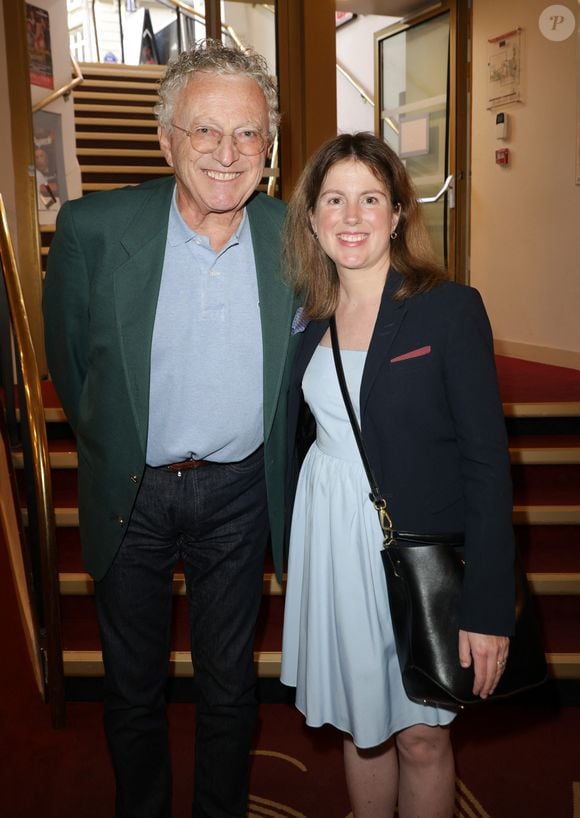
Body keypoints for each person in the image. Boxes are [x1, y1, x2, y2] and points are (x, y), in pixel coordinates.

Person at [43, 40, 298, 818]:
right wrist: (118, 444)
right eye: (206, 132)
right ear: (166, 139)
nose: (228, 154)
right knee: (131, 687)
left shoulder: (297, 235)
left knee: (229, 687)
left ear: (270, 146)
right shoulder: (93, 229)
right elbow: (70, 361)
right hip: (134, 490)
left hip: (239, 494)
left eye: (248, 133)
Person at [280, 132, 515, 818]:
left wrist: (487, 607)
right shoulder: (304, 319)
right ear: (313, 218)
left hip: (412, 554)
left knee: (419, 738)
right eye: (335, 199)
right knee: (363, 726)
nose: (352, 217)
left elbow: (486, 464)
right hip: (333, 548)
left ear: (398, 214)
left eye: (370, 199)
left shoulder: (447, 308)